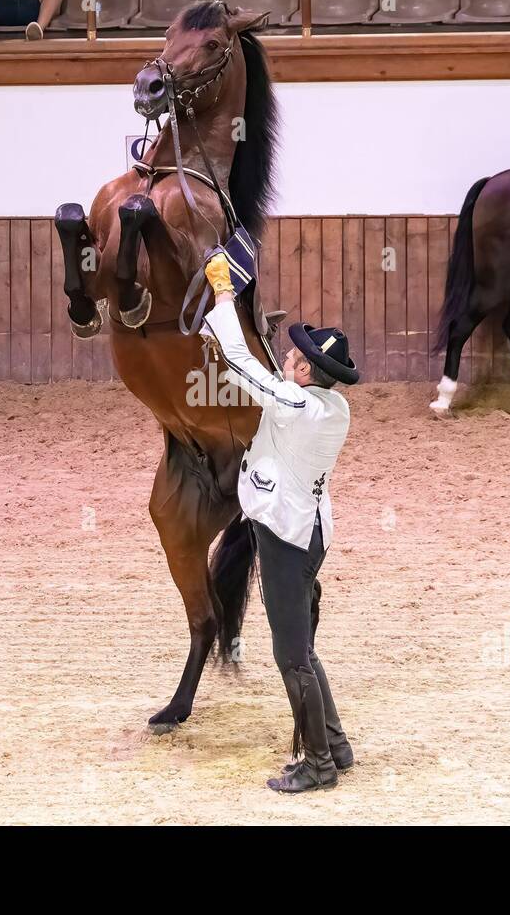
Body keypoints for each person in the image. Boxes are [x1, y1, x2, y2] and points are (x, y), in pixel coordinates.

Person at [200, 253, 358, 794]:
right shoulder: (329, 408)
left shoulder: (293, 405)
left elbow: (244, 364)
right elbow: (270, 379)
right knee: (304, 649)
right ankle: (335, 744)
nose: (287, 359)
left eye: (293, 356)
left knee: (291, 654)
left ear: (307, 373)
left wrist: (223, 298)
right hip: (310, 531)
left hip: (287, 538)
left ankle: (318, 764)